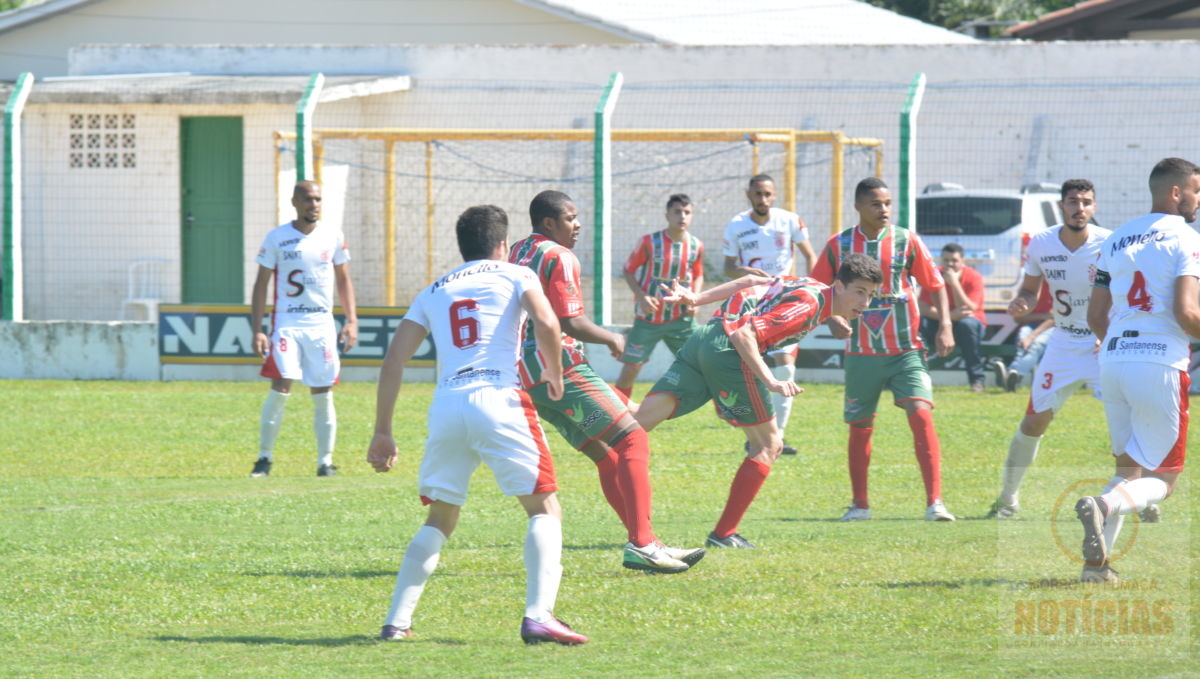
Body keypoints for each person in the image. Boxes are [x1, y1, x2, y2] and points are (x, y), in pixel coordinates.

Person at [367, 205, 586, 645]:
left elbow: (394, 359)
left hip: (447, 406)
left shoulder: (433, 289)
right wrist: (555, 373)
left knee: (440, 517)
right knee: (544, 508)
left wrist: (383, 431)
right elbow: (547, 321)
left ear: (462, 245)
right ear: (503, 245)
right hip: (500, 398)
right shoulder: (516, 274)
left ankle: (396, 622)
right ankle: (539, 615)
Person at [510, 190, 705, 574]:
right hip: (559, 366)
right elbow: (569, 322)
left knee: (606, 453)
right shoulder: (559, 256)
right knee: (633, 437)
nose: (577, 224)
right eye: (570, 218)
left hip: (525, 376)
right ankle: (643, 544)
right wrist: (612, 337)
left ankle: (648, 540)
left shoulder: (518, 251)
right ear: (549, 224)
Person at [634, 254, 881, 548]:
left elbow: (751, 281)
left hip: (705, 337)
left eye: (871, 295)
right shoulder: (809, 305)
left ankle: (588, 391)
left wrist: (695, 299)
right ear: (839, 286)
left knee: (638, 422)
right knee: (769, 445)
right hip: (728, 353)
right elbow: (744, 335)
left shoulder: (813, 288)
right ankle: (724, 534)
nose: (865, 303)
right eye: (860, 292)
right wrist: (771, 380)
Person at [1075, 158, 1200, 583]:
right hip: (1160, 362)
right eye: (1196, 190)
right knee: (1163, 480)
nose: (1199, 200)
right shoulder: (1186, 237)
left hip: (1113, 360)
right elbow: (1186, 313)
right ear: (1176, 193)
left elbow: (1096, 314)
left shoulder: (1117, 237)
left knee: (1127, 471)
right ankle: (1103, 505)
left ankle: (1095, 569)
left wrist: (1121, 341)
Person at [811, 177, 957, 522]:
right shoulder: (839, 244)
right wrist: (830, 319)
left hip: (906, 349)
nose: (884, 210)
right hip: (861, 353)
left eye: (888, 203)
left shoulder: (907, 241)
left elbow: (935, 285)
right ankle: (860, 505)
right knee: (860, 427)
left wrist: (946, 326)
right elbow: (817, 291)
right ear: (859, 206)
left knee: (921, 415)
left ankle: (935, 503)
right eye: (876, 204)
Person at [985, 179, 1111, 519]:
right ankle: (1008, 499)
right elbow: (1029, 289)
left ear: (1094, 208)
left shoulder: (1109, 243)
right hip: (1063, 344)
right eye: (1073, 201)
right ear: (1061, 206)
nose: (1079, 208)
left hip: (1103, 345)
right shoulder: (1041, 243)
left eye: (1086, 202)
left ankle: (1138, 498)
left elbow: (1125, 294)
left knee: (1123, 422)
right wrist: (1021, 303)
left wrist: (1108, 333)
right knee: (1033, 422)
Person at [249, 181, 357, 477]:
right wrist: (257, 329)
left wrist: (351, 320)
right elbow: (261, 284)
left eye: (319, 199)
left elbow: (344, 280)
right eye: (308, 199)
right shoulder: (276, 238)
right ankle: (264, 458)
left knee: (323, 391)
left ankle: (326, 462)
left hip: (321, 325)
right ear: (294, 202)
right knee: (280, 387)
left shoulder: (333, 236)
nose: (315, 205)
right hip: (287, 324)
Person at [722, 174, 817, 455]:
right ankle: (756, 431)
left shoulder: (790, 220)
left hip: (783, 302)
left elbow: (810, 255)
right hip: (750, 302)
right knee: (748, 370)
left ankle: (778, 437)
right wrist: (746, 272)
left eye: (767, 194)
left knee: (785, 366)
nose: (762, 199)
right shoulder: (737, 225)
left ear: (774, 195)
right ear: (748, 194)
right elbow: (727, 266)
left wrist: (807, 287)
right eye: (757, 194)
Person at [614, 194, 705, 399]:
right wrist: (642, 296)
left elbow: (698, 274)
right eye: (677, 212)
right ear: (667, 215)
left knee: (702, 364)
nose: (682, 216)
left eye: (687, 212)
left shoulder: (696, 245)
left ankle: (729, 411)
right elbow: (628, 270)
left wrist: (696, 297)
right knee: (631, 369)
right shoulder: (648, 242)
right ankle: (616, 415)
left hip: (681, 318)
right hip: (648, 317)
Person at [918, 243, 988, 391]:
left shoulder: (974, 277)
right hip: (942, 323)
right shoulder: (934, 275)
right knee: (921, 324)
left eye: (954, 260)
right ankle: (918, 378)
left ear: (963, 261)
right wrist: (949, 317)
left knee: (967, 325)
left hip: (969, 327)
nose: (950, 264)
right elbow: (922, 307)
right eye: (946, 260)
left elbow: (969, 308)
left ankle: (977, 381)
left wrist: (954, 283)